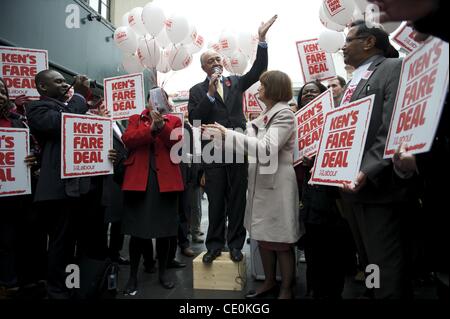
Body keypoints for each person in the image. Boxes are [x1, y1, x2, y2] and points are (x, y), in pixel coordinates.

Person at [188, 15, 277, 264]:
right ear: (204, 68)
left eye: (218, 58)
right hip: (213, 154)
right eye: (210, 60)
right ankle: (214, 245)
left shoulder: (236, 82)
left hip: (237, 148)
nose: (216, 61)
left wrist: (262, 40)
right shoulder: (197, 91)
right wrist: (210, 95)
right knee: (216, 201)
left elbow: (259, 70)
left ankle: (236, 244)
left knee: (237, 199)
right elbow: (195, 120)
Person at [203, 70, 300, 299]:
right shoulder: (265, 116)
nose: (258, 90)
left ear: (274, 89)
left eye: (263, 86)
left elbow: (266, 149)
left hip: (277, 186)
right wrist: (220, 137)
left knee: (281, 241)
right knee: (264, 239)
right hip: (261, 184)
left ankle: (286, 288)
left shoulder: (284, 115)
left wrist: (229, 133)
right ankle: (268, 282)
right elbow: (249, 148)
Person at [339, 21, 418, 299]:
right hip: (353, 190)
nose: (343, 46)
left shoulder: (392, 69)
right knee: (370, 263)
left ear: (369, 42)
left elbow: (394, 125)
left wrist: (368, 168)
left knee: (386, 266)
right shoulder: (354, 80)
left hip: (379, 188)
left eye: (349, 40)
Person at [25, 70, 116, 299]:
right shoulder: (37, 109)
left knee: (80, 240)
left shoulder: (70, 106)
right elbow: (63, 122)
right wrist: (80, 94)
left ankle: (75, 284)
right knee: (61, 242)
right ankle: (57, 291)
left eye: (65, 80)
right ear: (43, 88)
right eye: (58, 81)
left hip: (81, 189)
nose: (64, 83)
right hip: (57, 190)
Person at [121, 88, 184, 294]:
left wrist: (161, 127)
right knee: (138, 233)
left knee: (165, 232)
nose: (156, 102)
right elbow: (128, 139)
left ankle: (163, 272)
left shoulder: (174, 121)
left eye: (161, 99)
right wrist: (151, 130)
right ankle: (132, 276)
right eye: (153, 98)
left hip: (164, 182)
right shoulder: (135, 118)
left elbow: (175, 142)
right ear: (147, 101)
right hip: (140, 181)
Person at [296, 81, 349, 300]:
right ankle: (313, 289)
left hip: (332, 197)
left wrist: (318, 160)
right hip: (307, 197)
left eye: (314, 91)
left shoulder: (338, 117)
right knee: (312, 249)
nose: (308, 94)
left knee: (332, 251)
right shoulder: (296, 122)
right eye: (305, 92)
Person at [0, 78, 44, 299]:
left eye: (1, 90)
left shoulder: (19, 122)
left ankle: (27, 280)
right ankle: (8, 283)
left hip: (21, 195)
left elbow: (37, 149)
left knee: (25, 237)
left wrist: (32, 158)